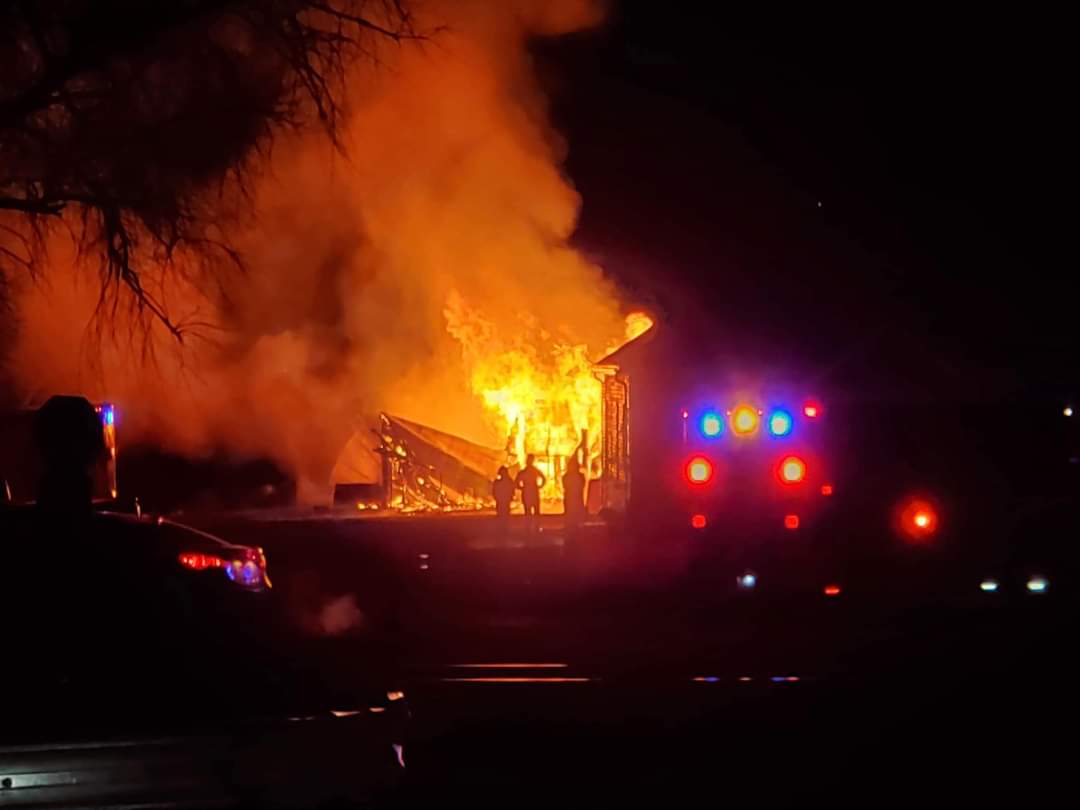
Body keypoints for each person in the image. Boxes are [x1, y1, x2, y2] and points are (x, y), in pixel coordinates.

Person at [515, 454, 546, 531]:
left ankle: (529, 528)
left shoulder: (524, 472)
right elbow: (543, 478)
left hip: (527, 492)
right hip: (533, 492)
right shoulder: (534, 471)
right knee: (535, 511)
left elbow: (516, 482)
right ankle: (536, 527)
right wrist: (540, 486)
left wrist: (521, 488)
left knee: (528, 511)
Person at [562, 456, 586, 532]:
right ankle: (571, 529)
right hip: (571, 498)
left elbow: (581, 486)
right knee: (571, 515)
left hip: (574, 498)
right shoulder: (568, 476)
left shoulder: (566, 476)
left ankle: (573, 529)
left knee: (574, 515)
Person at [492, 465, 516, 540]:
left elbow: (494, 491)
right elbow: (512, 491)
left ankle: (502, 531)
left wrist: (497, 498)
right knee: (503, 516)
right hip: (503, 501)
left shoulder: (499, 482)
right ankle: (503, 531)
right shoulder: (508, 481)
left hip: (503, 501)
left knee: (502, 516)